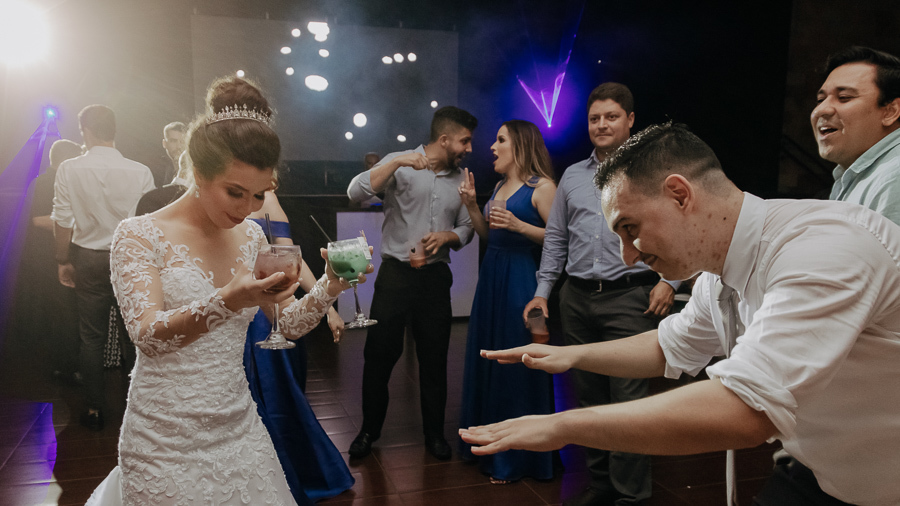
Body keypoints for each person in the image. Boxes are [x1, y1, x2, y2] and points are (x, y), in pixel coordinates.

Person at [460, 121, 900, 506]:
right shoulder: (717, 271)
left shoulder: (822, 249)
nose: (628, 256)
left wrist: (564, 426)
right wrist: (573, 356)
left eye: (629, 229)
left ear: (679, 194)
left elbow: (743, 413)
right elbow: (667, 346)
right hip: (819, 470)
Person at [85, 76, 369, 505]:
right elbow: (146, 335)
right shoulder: (139, 235)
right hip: (163, 440)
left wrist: (330, 286)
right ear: (198, 173)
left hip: (239, 427)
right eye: (234, 192)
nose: (245, 209)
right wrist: (228, 300)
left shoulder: (253, 237)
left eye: (258, 196)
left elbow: (287, 325)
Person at [521, 82, 677, 506]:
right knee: (589, 400)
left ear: (630, 120)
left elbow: (682, 229)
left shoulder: (655, 171)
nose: (602, 124)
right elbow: (556, 241)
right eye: (594, 118)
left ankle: (631, 497)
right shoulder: (572, 176)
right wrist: (542, 292)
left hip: (631, 299)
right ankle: (602, 487)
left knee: (627, 403)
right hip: (576, 300)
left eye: (611, 116)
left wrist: (672, 282)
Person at [346, 106, 477, 460]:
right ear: (444, 139)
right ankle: (368, 431)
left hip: (435, 279)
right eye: (464, 141)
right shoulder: (399, 163)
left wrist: (448, 235)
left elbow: (467, 229)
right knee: (378, 357)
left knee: (434, 360)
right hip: (395, 277)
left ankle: (434, 435)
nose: (469, 148)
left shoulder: (462, 177)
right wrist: (397, 161)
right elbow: (354, 192)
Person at [457, 120, 556, 484]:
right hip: (492, 277)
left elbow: (559, 239)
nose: (492, 148)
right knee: (490, 355)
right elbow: (488, 235)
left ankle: (519, 458)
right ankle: (487, 444)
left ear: (520, 145)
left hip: (520, 279)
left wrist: (520, 227)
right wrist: (471, 207)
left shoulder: (543, 188)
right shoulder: (500, 185)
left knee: (518, 362)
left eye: (500, 141)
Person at [243, 187, 355, 503]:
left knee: (280, 397)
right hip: (232, 321)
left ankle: (287, 472)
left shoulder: (268, 197)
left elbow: (289, 257)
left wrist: (328, 300)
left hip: (268, 312)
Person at [51, 105, 156, 431]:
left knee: (92, 337)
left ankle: (95, 409)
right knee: (134, 335)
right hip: (130, 258)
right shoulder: (140, 171)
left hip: (89, 258)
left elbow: (63, 221)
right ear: (114, 130)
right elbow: (149, 223)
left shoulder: (69, 168)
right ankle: (140, 409)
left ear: (86, 130)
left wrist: (62, 260)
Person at [813, 46, 900, 224]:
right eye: (821, 100)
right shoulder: (864, 174)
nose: (822, 110)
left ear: (890, 112)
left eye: (844, 97)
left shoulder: (894, 175)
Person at [25, 139, 84, 383]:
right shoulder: (44, 182)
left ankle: (67, 366)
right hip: (48, 257)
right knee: (63, 313)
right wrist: (76, 220)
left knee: (66, 313)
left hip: (58, 255)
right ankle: (65, 367)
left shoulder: (63, 180)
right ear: (65, 161)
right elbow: (38, 219)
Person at [135, 122, 191, 215]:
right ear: (164, 143)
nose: (179, 146)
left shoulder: (195, 171)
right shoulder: (155, 171)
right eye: (173, 141)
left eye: (183, 141)